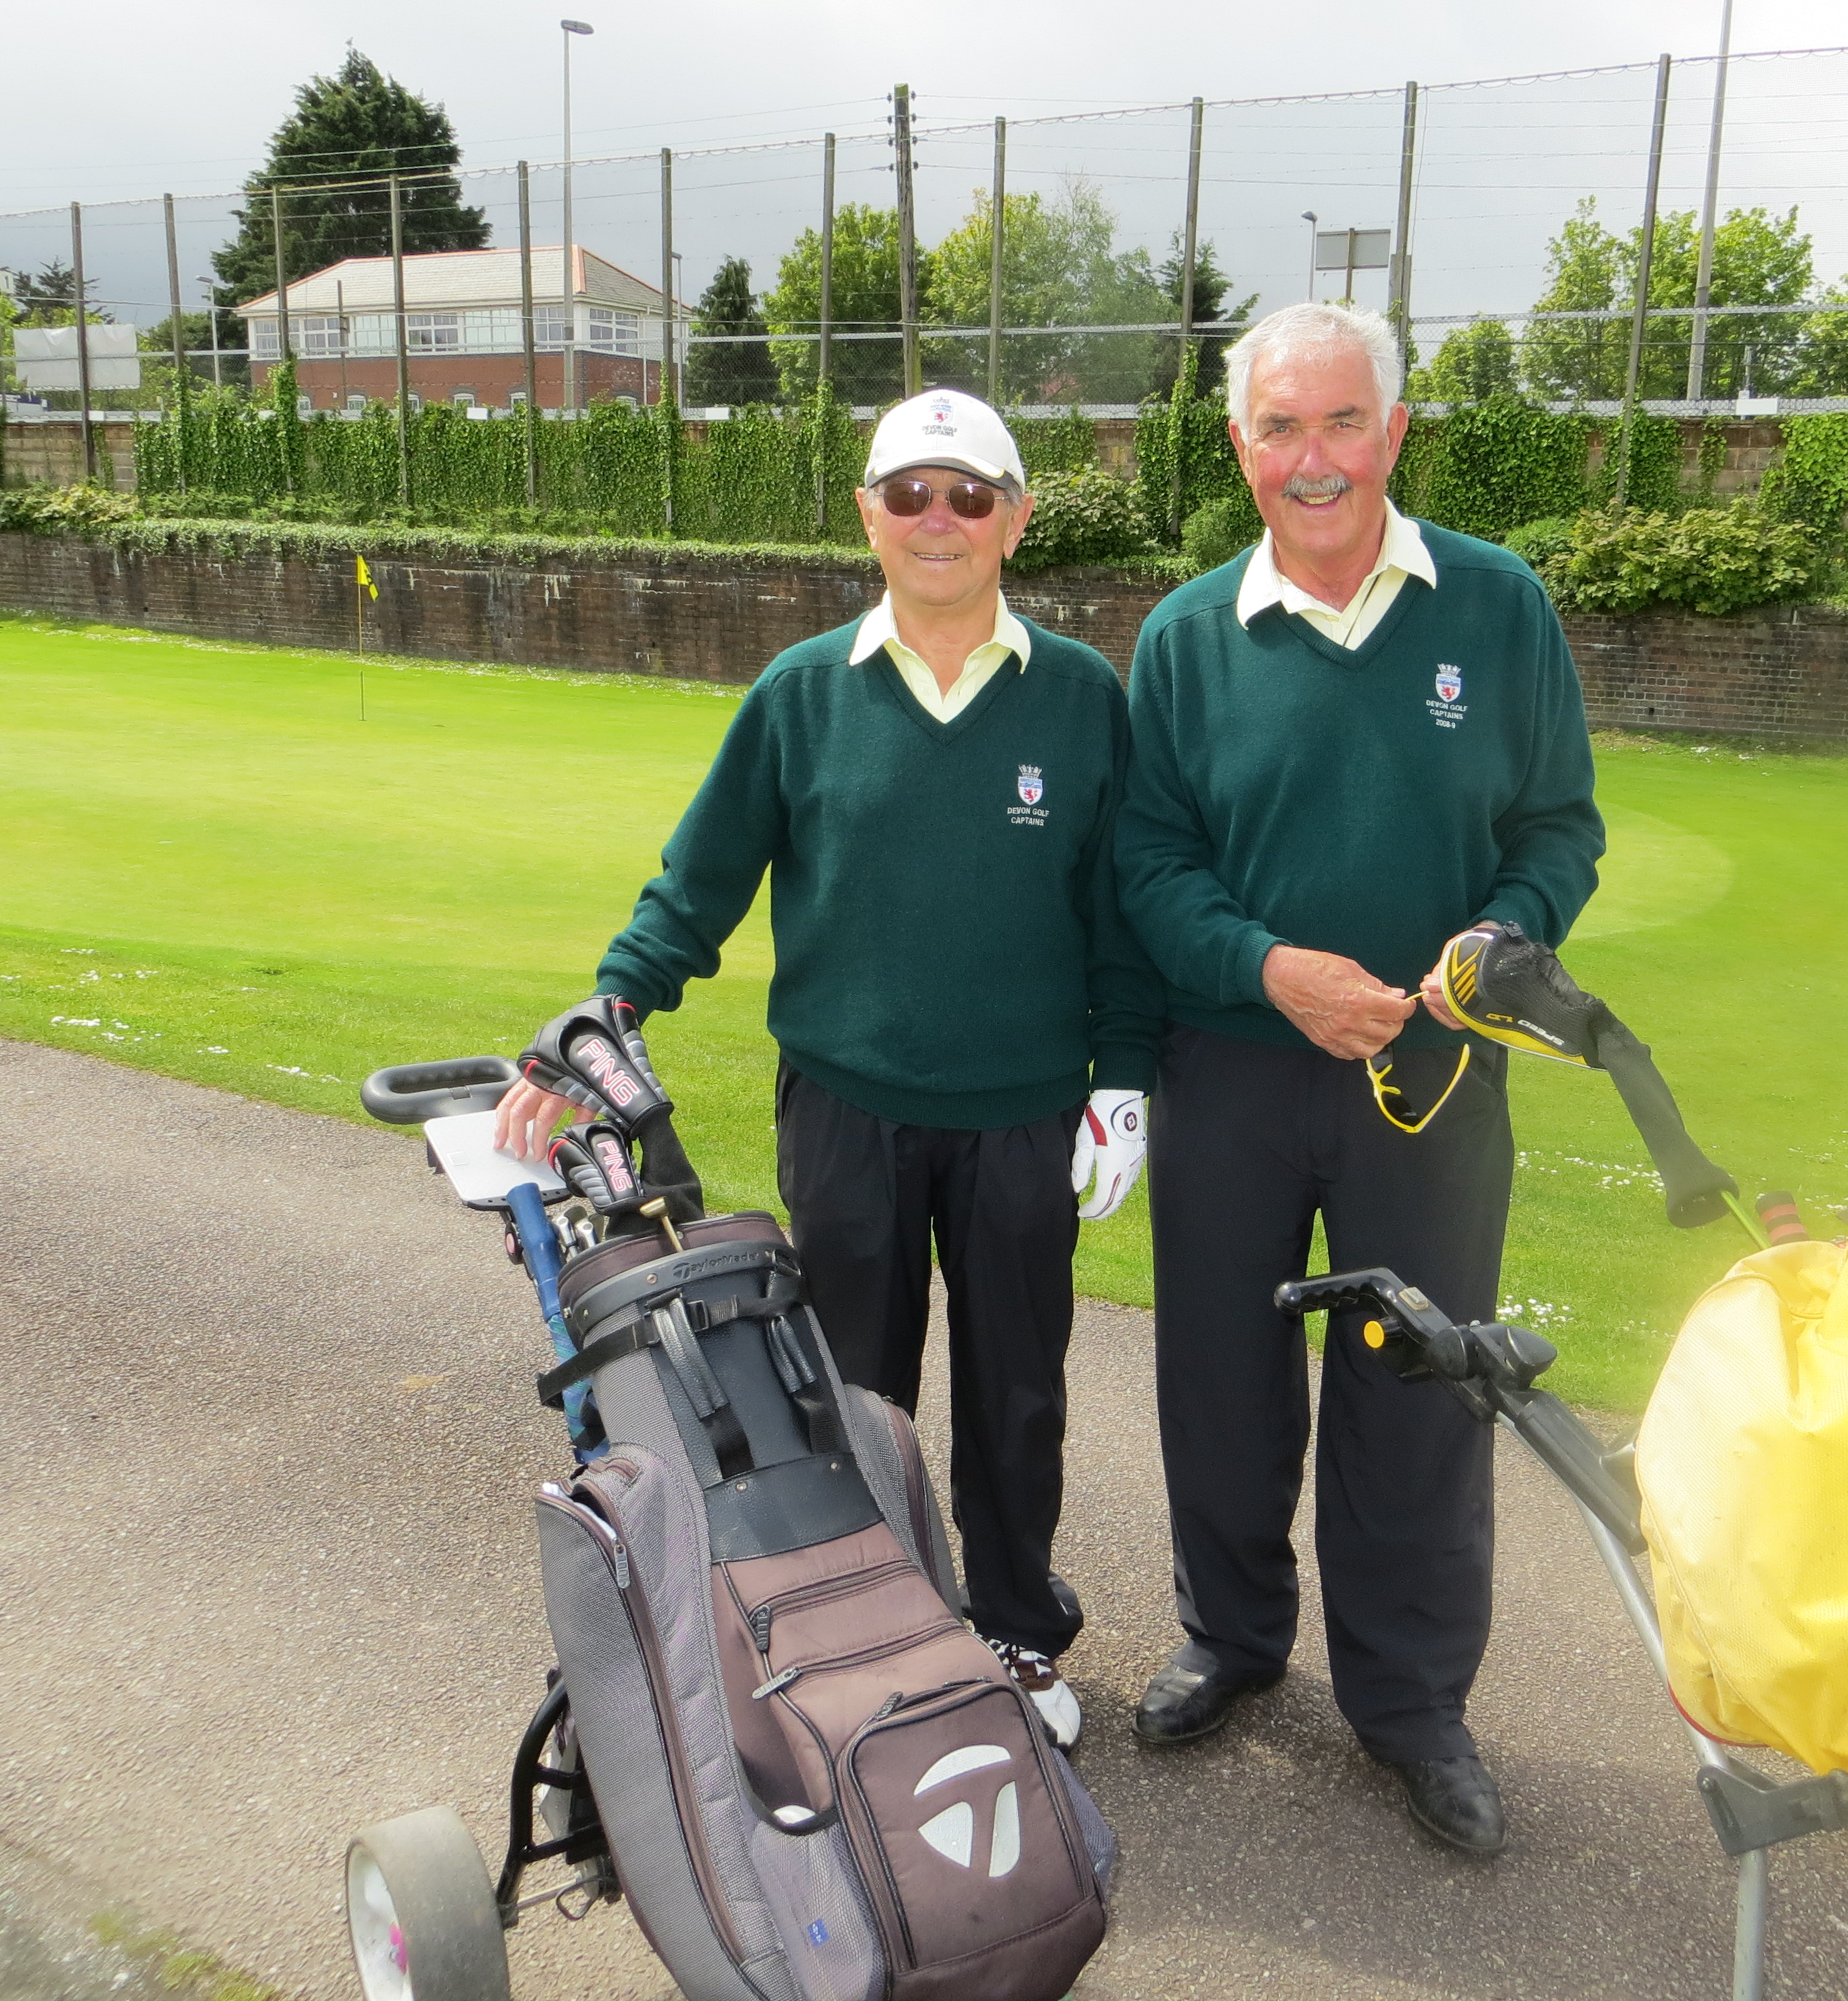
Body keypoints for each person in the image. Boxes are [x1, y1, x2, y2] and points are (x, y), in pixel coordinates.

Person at [494, 389, 1160, 1750]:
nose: (937, 520)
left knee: (1017, 1394)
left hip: (1025, 1112)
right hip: (847, 1106)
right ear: (866, 513)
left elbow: (1123, 910)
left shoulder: (1084, 696)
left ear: (1015, 520)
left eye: (968, 496)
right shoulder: (802, 694)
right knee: (853, 1397)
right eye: (907, 493)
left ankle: (1020, 1635)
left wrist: (1124, 1078)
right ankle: (880, 1628)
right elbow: (697, 885)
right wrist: (602, 1017)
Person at [1112, 303, 1605, 1852]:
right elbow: (1149, 860)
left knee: (1418, 1391)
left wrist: (1489, 947)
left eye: (1340, 424)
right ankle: (1233, 1640)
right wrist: (1268, 968)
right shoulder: (1188, 636)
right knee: (1218, 1373)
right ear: (1238, 444)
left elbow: (1557, 832)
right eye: (1278, 428)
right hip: (1235, 1073)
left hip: (1437, 1079)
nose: (1310, 461)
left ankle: (1408, 1707)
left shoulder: (1499, 607)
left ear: (1395, 432)